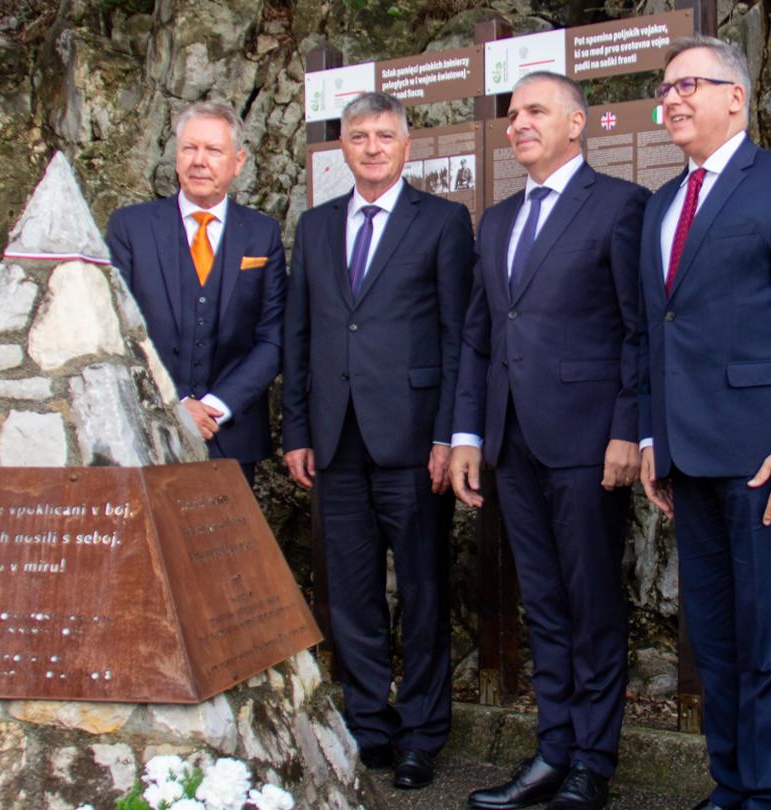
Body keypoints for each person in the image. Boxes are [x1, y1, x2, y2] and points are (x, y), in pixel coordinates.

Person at [636, 36, 771, 810]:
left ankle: (765, 795)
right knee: (716, 643)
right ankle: (729, 785)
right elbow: (652, 334)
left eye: (690, 84)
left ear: (738, 95)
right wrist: (654, 438)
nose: (673, 99)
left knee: (767, 638)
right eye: (665, 89)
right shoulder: (662, 203)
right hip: (688, 458)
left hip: (768, 457)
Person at [447, 71, 647, 810]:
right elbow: (478, 337)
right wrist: (467, 432)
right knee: (544, 602)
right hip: (511, 444)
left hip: (589, 442)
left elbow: (637, 330)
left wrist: (628, 428)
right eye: (512, 113)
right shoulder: (495, 222)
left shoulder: (622, 206)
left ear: (576, 124)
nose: (518, 122)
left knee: (592, 602)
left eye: (535, 110)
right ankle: (552, 751)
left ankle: (594, 763)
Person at [280, 91, 474, 790]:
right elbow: (298, 334)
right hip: (334, 441)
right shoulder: (316, 225)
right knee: (351, 595)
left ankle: (423, 733)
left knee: (421, 591)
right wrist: (297, 427)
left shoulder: (444, 223)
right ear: (343, 148)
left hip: (415, 441)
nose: (370, 146)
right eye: (358, 135)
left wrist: (451, 435)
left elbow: (458, 336)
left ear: (406, 146)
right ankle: (369, 725)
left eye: (383, 135)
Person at [104, 99, 285, 484]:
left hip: (229, 437)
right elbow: (116, 331)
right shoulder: (130, 228)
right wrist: (175, 404)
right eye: (190, 148)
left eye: (213, 150)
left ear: (238, 162)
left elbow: (272, 338)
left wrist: (217, 407)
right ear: (176, 157)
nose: (199, 160)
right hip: (148, 430)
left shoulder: (262, 233)